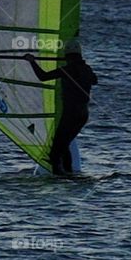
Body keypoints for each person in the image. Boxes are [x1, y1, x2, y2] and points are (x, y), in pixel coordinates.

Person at [23, 38, 97, 175]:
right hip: (83, 115)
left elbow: (43, 76)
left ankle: (61, 177)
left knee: (55, 153)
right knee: (64, 145)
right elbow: (94, 80)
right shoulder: (86, 69)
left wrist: (32, 61)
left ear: (67, 56)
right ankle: (70, 175)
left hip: (70, 114)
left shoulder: (67, 70)